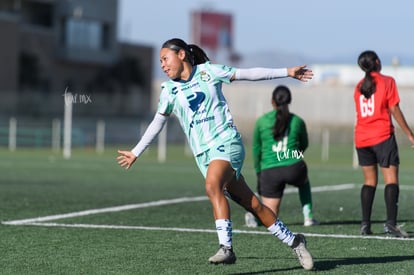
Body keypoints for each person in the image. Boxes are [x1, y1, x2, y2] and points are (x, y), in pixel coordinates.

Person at [117, 38, 314, 270]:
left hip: (227, 143)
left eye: (165, 58)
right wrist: (136, 152)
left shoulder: (209, 72)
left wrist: (287, 72)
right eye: (160, 61)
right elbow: (156, 123)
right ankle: (295, 241)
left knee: (212, 186)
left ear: (181, 55)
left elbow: (248, 74)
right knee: (254, 206)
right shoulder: (168, 90)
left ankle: (226, 248)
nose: (162, 65)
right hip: (204, 156)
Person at [354, 50, 414, 238]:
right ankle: (391, 224)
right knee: (391, 180)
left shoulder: (359, 86)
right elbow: (394, 108)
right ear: (377, 62)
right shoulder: (387, 81)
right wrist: (410, 134)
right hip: (382, 137)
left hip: (362, 138)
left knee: (369, 181)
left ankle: (365, 225)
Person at [245, 85, 319, 228]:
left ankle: (254, 219)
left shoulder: (262, 121)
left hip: (270, 171)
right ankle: (308, 216)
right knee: (303, 181)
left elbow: (256, 149)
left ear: (272, 101)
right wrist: (294, 157)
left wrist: (259, 171)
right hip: (294, 168)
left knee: (270, 217)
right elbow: (304, 144)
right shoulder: (297, 121)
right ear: (289, 101)